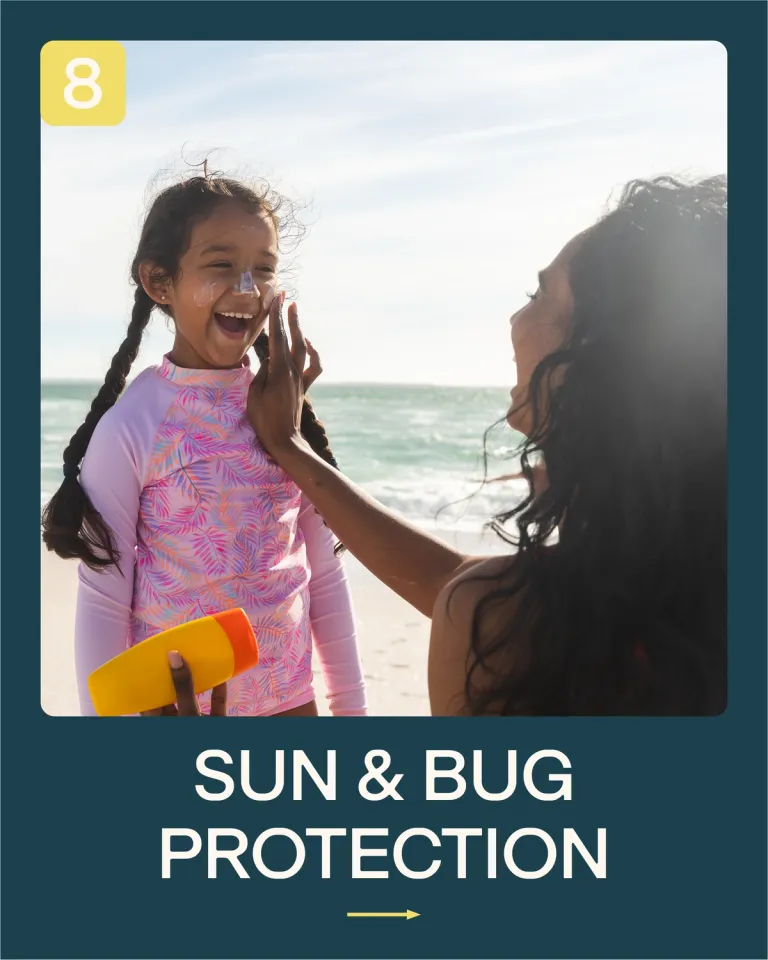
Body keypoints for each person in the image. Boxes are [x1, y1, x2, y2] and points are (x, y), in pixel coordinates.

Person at [248, 174, 727, 717]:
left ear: (598, 352)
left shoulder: (507, 627)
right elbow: (448, 579)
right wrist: (290, 448)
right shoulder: (695, 585)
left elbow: (473, 596)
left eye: (539, 296)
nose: (516, 318)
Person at [42, 171, 367, 718]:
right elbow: (102, 602)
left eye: (264, 269)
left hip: (293, 705)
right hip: (176, 714)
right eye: (220, 265)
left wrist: (351, 713)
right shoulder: (134, 425)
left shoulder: (282, 414)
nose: (247, 288)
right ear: (159, 282)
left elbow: (324, 576)